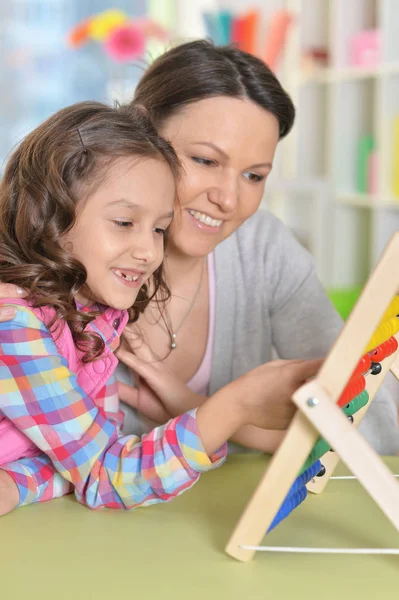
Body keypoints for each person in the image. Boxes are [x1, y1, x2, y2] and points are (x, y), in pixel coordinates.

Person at [0, 100, 322, 516]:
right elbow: (104, 476)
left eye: (158, 229)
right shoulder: (17, 326)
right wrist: (229, 408)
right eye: (123, 223)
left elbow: (90, 463)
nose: (149, 251)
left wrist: (17, 483)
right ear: (50, 218)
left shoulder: (98, 322)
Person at [113, 40, 399, 455]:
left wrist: (201, 412)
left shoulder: (260, 248)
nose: (228, 200)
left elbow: (375, 421)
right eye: (206, 161)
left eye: (253, 176)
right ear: (140, 133)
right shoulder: (74, 252)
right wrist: (226, 416)